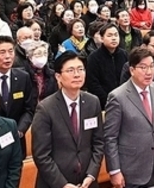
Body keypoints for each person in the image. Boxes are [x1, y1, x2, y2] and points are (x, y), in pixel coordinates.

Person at [31, 51, 104, 188]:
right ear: (58, 76)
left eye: (80, 69)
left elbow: (98, 143)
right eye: (70, 70)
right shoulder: (46, 108)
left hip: (86, 182)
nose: (77, 74)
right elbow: (41, 155)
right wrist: (63, 184)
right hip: (55, 183)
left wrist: (91, 174)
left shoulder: (92, 102)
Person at [104, 47, 154, 188]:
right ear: (132, 70)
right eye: (143, 67)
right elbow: (110, 137)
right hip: (130, 169)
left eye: (152, 66)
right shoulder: (117, 97)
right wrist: (114, 170)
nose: (148, 72)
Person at [85, 23, 128, 109]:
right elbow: (93, 84)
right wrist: (108, 100)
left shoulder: (124, 54)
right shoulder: (94, 57)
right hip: (103, 103)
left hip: (124, 100)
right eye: (109, 35)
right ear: (101, 38)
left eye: (116, 35)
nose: (113, 38)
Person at [24, 40, 58, 106]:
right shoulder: (23, 74)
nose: (42, 56)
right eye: (39, 54)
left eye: (45, 53)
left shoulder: (52, 74)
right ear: (30, 57)